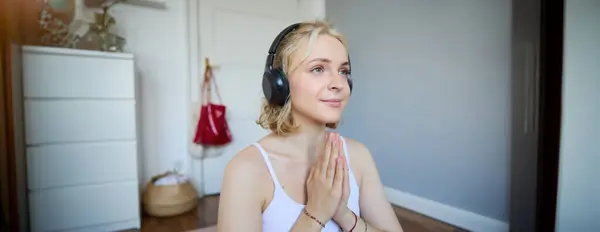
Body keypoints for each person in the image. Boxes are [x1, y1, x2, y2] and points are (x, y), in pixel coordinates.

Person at [217, 20, 404, 232]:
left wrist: (344, 215)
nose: (339, 83)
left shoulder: (359, 157)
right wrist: (316, 212)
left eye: (343, 71)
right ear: (280, 84)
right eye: (318, 69)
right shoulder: (246, 170)